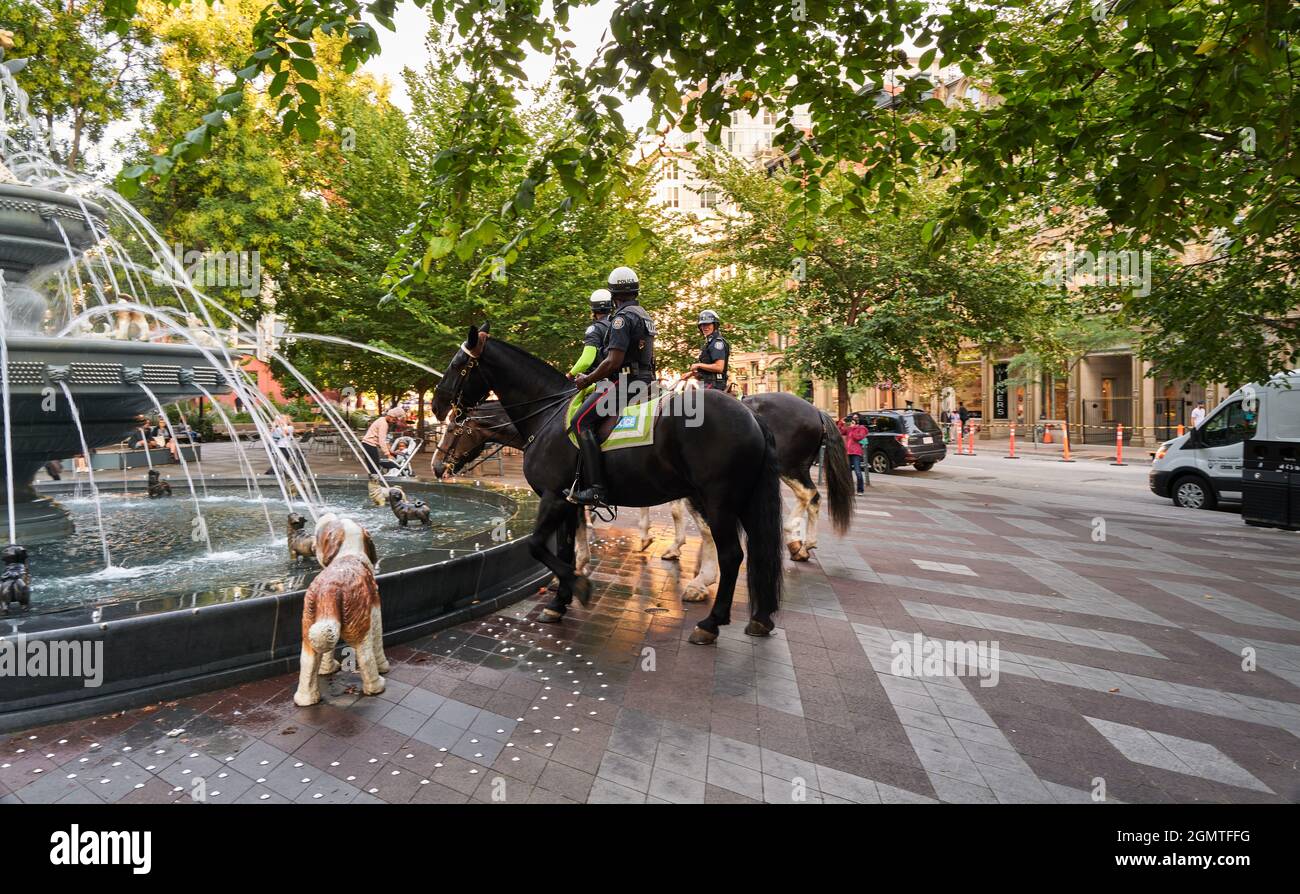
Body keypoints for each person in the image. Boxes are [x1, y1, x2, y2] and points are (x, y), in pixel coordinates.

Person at [567, 266, 656, 506]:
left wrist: (586, 379)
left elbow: (612, 361)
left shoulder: (621, 318)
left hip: (627, 384)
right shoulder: (644, 314)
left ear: (614, 294)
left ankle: (597, 489)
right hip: (648, 382)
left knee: (580, 421)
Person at [568, 288, 613, 378]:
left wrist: (569, 375)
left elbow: (586, 361)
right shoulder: (616, 325)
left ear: (593, 309)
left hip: (598, 380)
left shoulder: (594, 329)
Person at [684, 309, 730, 391]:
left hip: (714, 387)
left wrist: (698, 365)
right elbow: (707, 371)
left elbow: (719, 367)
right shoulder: (709, 343)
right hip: (706, 384)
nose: (705, 327)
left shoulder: (717, 343)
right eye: (702, 325)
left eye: (708, 324)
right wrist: (691, 374)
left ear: (714, 325)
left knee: (688, 402)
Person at [361, 407, 405, 475]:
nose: (394, 421)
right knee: (374, 467)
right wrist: (388, 454)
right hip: (369, 445)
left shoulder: (381, 420)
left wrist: (391, 451)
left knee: (373, 466)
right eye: (394, 419)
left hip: (368, 444)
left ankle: (374, 482)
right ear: (391, 416)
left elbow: (384, 440)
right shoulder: (384, 424)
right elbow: (382, 440)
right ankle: (374, 484)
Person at [838, 415, 867, 494]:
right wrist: (841, 422)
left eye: (855, 418)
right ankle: (849, 489)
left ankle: (860, 490)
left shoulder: (862, 429)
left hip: (856, 453)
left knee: (858, 472)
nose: (853, 419)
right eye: (852, 418)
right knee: (847, 472)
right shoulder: (849, 428)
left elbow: (858, 438)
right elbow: (841, 431)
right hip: (848, 452)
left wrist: (853, 428)